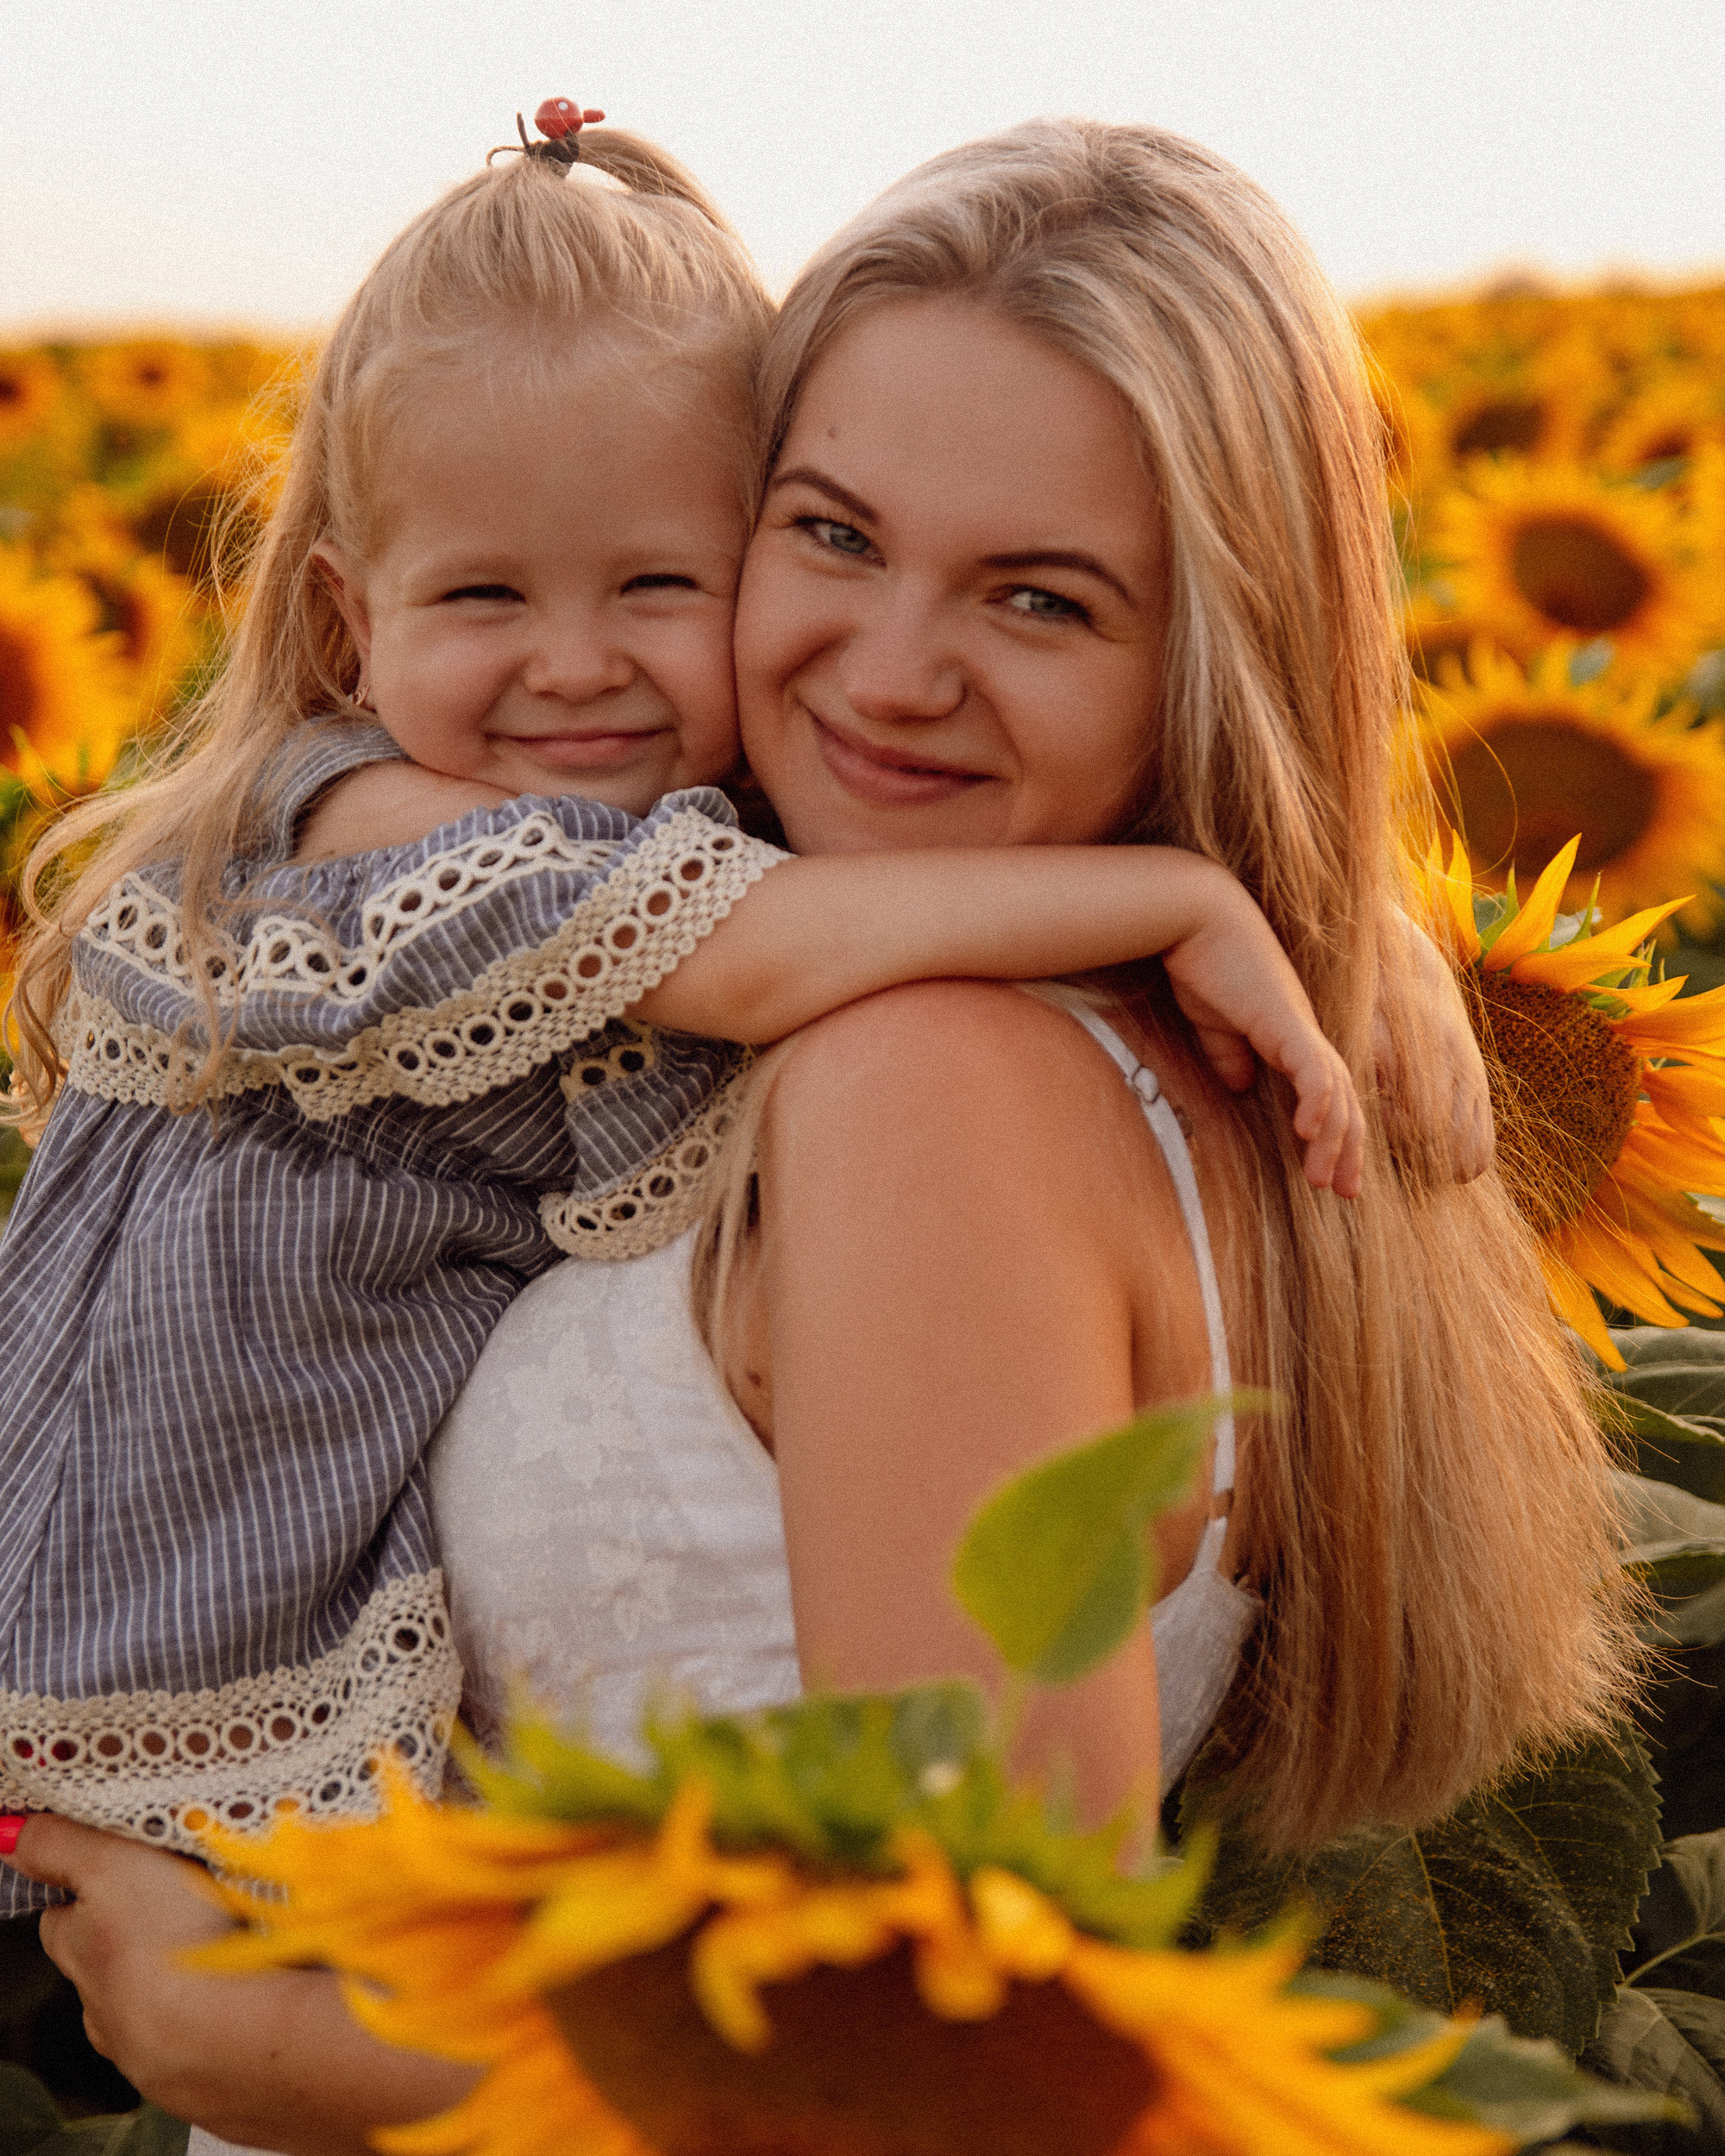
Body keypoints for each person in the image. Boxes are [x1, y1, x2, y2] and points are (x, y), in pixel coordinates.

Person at [9, 116, 1584, 2154]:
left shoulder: (928, 1082)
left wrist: (278, 2060)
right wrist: (1298, 898)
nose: (886, 671)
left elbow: (976, 2088)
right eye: (830, 533)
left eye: (1039, 597)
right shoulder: (1114, 1032)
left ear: (1209, 650)